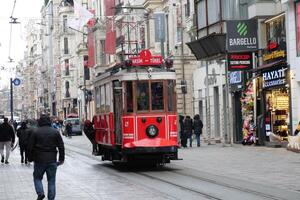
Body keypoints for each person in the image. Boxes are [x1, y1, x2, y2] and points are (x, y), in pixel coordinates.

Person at [27, 114, 65, 200]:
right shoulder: (55, 132)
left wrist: (30, 158)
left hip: (39, 159)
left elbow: (30, 146)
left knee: (37, 178)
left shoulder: (35, 132)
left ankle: (40, 193)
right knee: (51, 180)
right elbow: (61, 146)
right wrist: (61, 159)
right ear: (49, 121)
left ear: (40, 121)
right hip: (52, 159)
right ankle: (51, 198)